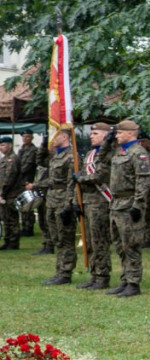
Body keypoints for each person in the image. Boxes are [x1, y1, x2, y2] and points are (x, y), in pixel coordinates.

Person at [106, 120, 150, 297]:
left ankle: (133, 282)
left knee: (131, 245)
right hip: (116, 204)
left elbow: (142, 181)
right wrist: (107, 142)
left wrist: (138, 205)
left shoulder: (138, 153)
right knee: (119, 245)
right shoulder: (120, 151)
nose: (117, 136)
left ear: (131, 133)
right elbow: (103, 159)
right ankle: (125, 279)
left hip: (129, 203)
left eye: (119, 133)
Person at [73, 124, 114, 290]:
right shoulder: (90, 154)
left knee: (99, 242)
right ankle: (94, 274)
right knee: (89, 241)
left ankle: (103, 276)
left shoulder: (107, 155)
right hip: (88, 202)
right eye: (91, 133)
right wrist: (77, 201)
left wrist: (81, 179)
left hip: (100, 202)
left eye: (96, 133)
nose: (91, 136)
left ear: (105, 136)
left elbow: (101, 176)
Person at [37, 126, 77, 285]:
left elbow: (71, 183)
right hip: (52, 199)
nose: (53, 137)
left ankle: (66, 272)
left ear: (65, 137)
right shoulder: (56, 155)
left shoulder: (70, 157)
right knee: (56, 237)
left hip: (62, 200)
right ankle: (59, 270)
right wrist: (44, 143)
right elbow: (40, 161)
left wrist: (68, 204)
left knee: (65, 237)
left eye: (56, 134)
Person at [0, 136, 23, 251]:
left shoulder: (13, 159)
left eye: (3, 145)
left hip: (11, 193)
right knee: (5, 218)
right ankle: (7, 240)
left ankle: (13, 242)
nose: (1, 147)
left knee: (12, 219)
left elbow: (10, 178)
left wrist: (3, 192)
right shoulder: (4, 159)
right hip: (4, 193)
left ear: (9, 145)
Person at [17, 132, 38, 237]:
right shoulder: (21, 150)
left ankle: (29, 227)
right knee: (22, 205)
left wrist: (16, 173)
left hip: (28, 180)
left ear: (32, 138)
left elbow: (27, 166)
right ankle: (25, 226)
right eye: (23, 136)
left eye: (27, 136)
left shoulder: (33, 151)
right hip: (20, 181)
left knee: (28, 205)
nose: (25, 138)